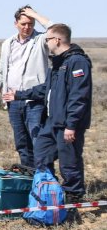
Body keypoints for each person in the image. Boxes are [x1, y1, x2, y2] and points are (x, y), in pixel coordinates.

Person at [5, 24, 92, 201]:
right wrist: (19, 95)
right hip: (52, 121)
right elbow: (45, 89)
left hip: (67, 124)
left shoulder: (77, 62)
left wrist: (71, 125)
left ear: (57, 40)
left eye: (47, 40)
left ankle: (73, 197)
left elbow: (79, 97)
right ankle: (48, 189)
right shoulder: (59, 63)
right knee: (42, 153)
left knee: (69, 162)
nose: (45, 43)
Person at [0, 5, 52, 167]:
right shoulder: (8, 44)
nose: (27, 27)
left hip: (35, 101)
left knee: (39, 142)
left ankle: (44, 180)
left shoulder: (41, 40)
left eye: (31, 23)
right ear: (16, 23)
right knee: (22, 144)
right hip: (13, 101)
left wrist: (36, 15)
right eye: (23, 23)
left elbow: (56, 30)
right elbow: (1, 70)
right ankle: (28, 179)